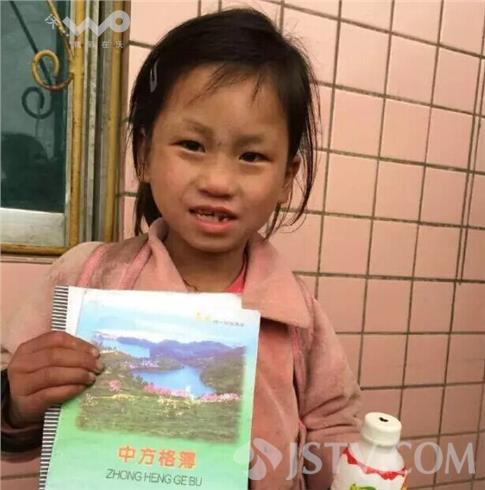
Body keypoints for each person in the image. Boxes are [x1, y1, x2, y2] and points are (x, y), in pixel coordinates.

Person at [1, 8, 361, 489]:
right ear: (145, 154)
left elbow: (333, 427)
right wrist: (17, 400)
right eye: (192, 145)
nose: (218, 181)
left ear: (286, 178)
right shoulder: (86, 276)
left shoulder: (299, 318)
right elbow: (16, 415)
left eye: (252, 155)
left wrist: (358, 473)